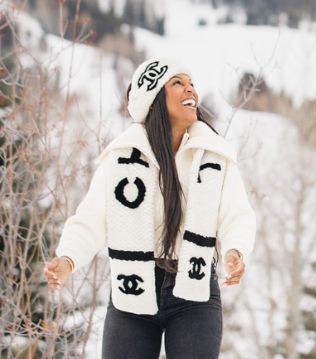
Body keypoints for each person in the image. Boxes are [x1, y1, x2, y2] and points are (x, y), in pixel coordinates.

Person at [44, 58, 256, 358]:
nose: (190, 89)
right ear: (153, 97)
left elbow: (237, 214)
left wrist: (236, 250)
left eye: (191, 82)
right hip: (132, 293)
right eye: (177, 83)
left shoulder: (215, 156)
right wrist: (67, 259)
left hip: (194, 293)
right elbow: (90, 219)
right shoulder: (119, 159)